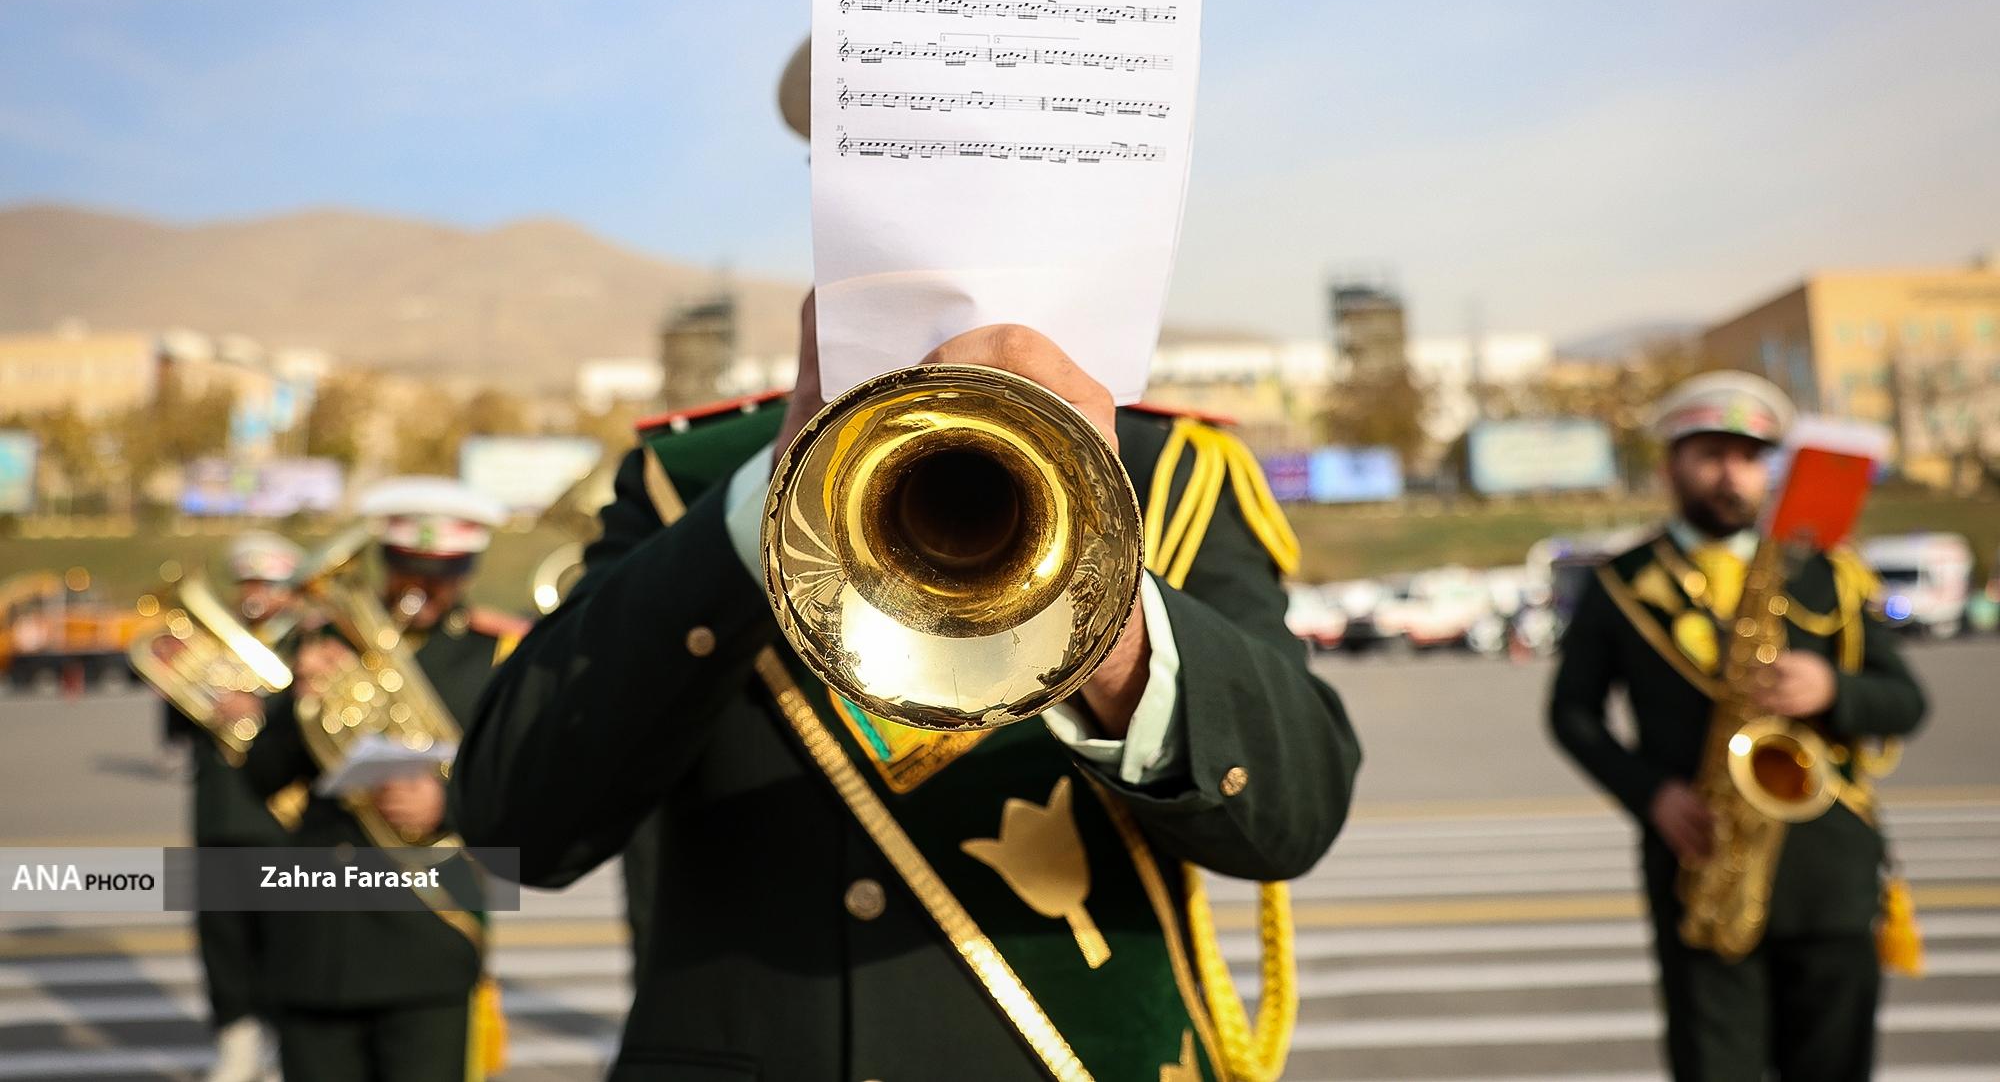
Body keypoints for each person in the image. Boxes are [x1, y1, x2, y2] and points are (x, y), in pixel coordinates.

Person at [453, 303, 1363, 1081]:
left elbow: (1294, 813)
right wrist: (764, 503)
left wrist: (1106, 617)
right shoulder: (684, 479)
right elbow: (510, 827)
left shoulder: (1171, 472)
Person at [1548, 371, 1929, 1082]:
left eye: (1750, 457)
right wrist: (1653, 794)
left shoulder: (1826, 573)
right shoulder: (1621, 580)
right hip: (1700, 863)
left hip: (1828, 871)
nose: (1732, 474)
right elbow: (1571, 714)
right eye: (1712, 455)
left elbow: (1906, 701)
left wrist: (1832, 689)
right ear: (1671, 466)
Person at [243, 477, 525, 1082]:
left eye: (439, 574)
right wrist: (298, 701)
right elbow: (261, 778)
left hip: (428, 933)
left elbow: (523, 784)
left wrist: (447, 804)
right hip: (318, 938)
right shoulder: (323, 643)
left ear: (466, 572)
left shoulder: (495, 656)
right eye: (406, 570)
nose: (419, 588)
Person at [190, 531, 305, 1082]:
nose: (257, 595)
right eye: (249, 582)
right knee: (222, 940)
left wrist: (259, 707)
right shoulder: (210, 645)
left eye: (270, 584)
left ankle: (286, 1046)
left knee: (286, 941)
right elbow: (176, 731)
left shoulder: (309, 646)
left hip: (283, 820)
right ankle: (236, 1039)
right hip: (220, 815)